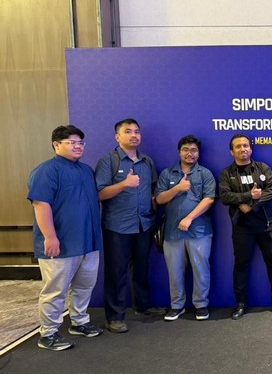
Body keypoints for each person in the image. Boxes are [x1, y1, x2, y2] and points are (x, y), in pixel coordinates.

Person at [27, 125, 103, 351]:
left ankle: (79, 322)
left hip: (88, 242)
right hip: (61, 244)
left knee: (84, 286)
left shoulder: (86, 170)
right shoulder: (46, 170)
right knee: (55, 290)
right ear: (56, 144)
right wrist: (50, 237)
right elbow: (40, 204)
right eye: (72, 142)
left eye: (80, 143)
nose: (78, 146)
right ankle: (48, 333)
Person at [95, 118, 164, 333]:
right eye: (128, 131)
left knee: (142, 267)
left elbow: (153, 189)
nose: (134, 135)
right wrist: (124, 184)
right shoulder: (108, 161)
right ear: (117, 136)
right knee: (117, 272)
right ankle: (114, 317)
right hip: (117, 226)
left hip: (144, 224)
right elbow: (99, 193)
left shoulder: (147, 161)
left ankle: (142, 305)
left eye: (137, 131)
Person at [218, 133, 272, 319]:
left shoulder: (262, 168)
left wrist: (252, 205)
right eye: (238, 146)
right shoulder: (227, 173)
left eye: (245, 145)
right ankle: (240, 303)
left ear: (250, 149)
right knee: (241, 265)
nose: (242, 149)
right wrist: (248, 196)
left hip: (266, 225)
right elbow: (225, 196)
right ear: (231, 151)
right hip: (242, 228)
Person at [155, 135, 216, 321]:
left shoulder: (205, 173)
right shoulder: (168, 173)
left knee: (200, 269)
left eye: (194, 150)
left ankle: (201, 305)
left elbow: (209, 199)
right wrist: (177, 188)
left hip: (199, 231)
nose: (190, 153)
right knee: (174, 271)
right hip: (172, 232)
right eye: (186, 150)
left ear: (199, 153)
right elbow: (159, 199)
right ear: (179, 152)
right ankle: (177, 306)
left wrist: (189, 218)